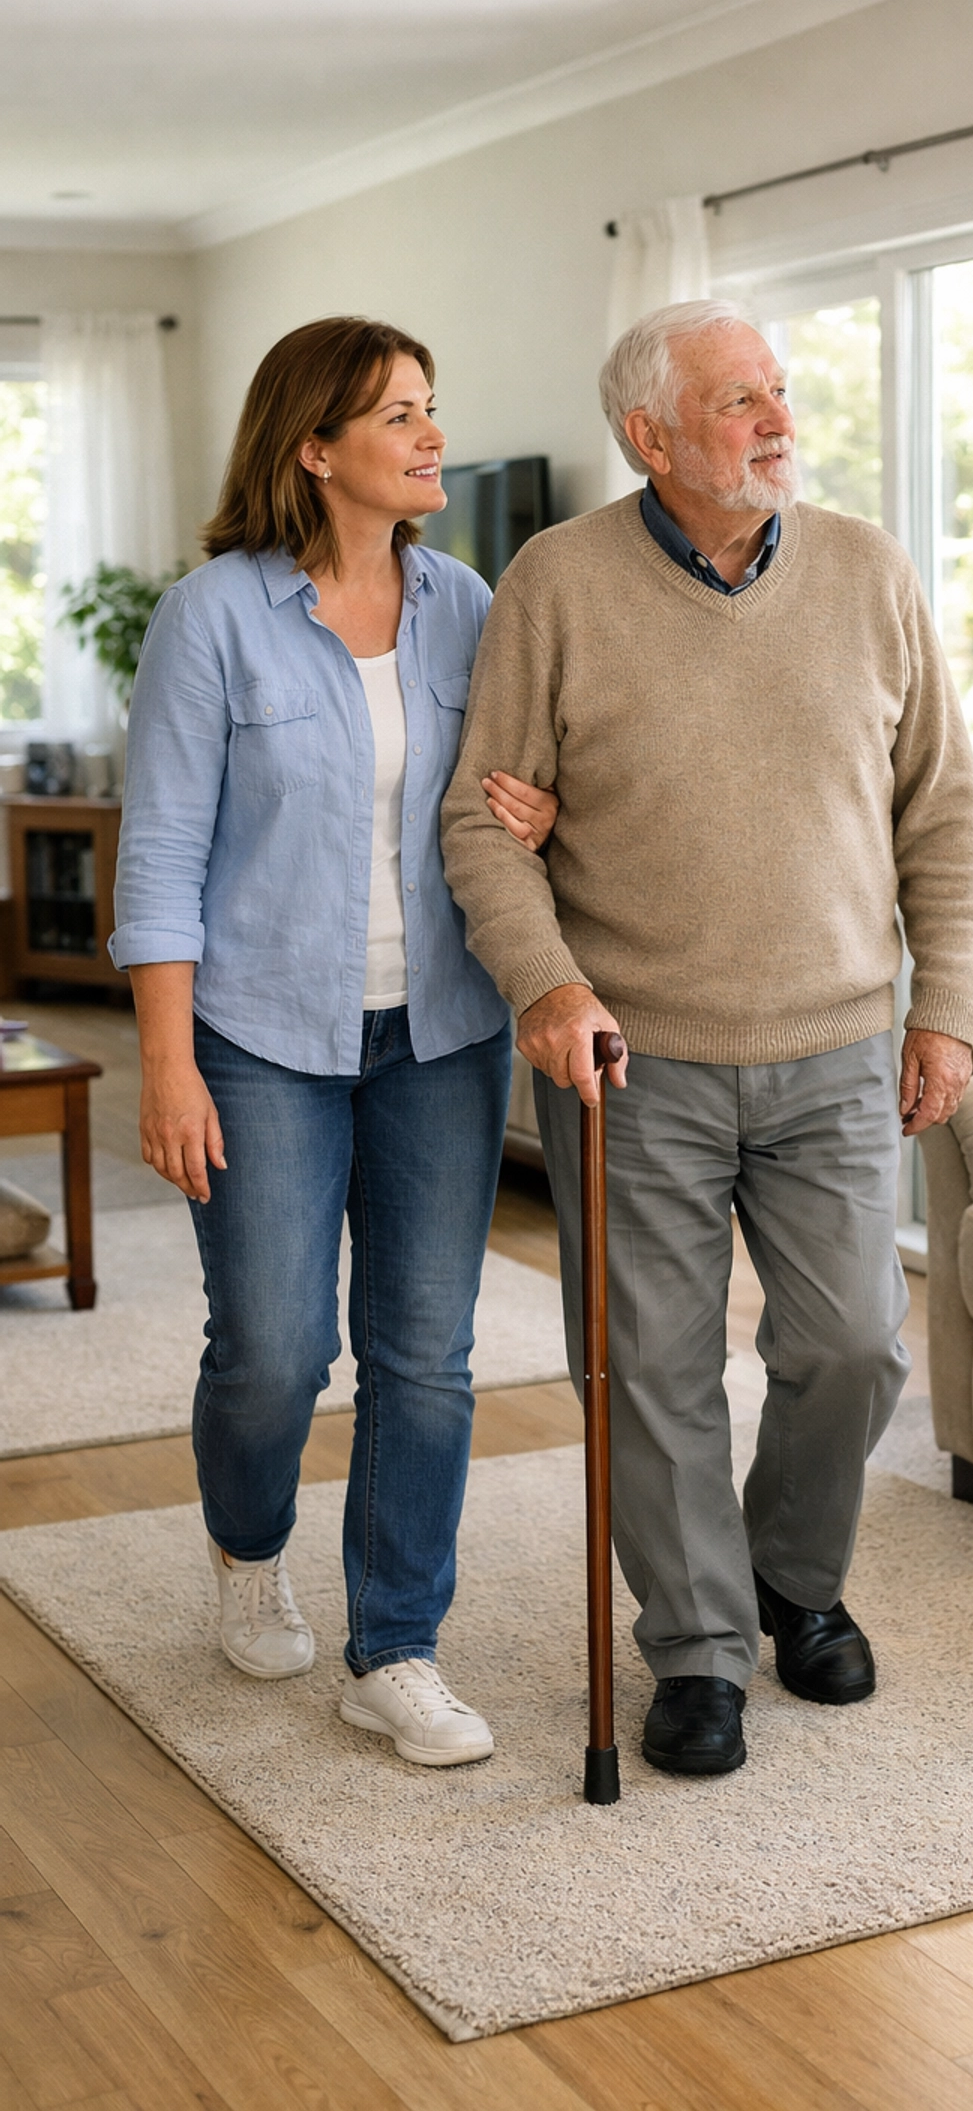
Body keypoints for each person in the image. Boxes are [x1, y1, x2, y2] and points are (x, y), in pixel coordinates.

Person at [441, 298, 973, 1776]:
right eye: (739, 399)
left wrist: (947, 1004)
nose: (776, 419)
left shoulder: (871, 573)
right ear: (650, 433)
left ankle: (792, 1583)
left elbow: (940, 807)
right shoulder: (555, 586)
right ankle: (694, 1649)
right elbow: (480, 826)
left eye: (779, 392)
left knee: (857, 1342)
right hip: (638, 1056)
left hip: (832, 1044)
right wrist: (553, 988)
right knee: (652, 1368)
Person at [111, 316, 554, 1767]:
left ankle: (396, 1646)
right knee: (275, 1352)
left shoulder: (468, 606)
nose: (433, 438)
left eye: (435, 408)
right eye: (399, 417)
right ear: (314, 449)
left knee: (424, 1355)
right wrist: (167, 1063)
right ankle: (248, 1548)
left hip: (439, 1029)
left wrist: (532, 813)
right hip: (257, 1036)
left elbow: (505, 794)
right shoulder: (214, 616)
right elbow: (163, 853)